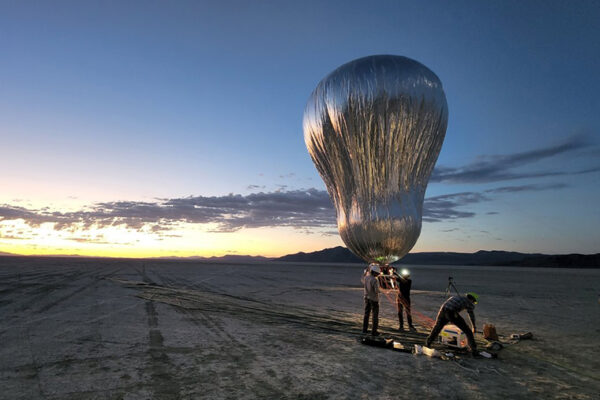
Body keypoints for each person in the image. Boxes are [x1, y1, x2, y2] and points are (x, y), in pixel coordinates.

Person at [362, 264, 380, 335]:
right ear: (375, 272)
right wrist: (379, 290)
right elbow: (376, 291)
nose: (378, 274)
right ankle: (374, 331)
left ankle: (364, 329)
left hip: (366, 298)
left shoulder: (366, 277)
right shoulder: (375, 280)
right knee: (375, 315)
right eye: (377, 273)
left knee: (366, 314)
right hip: (374, 299)